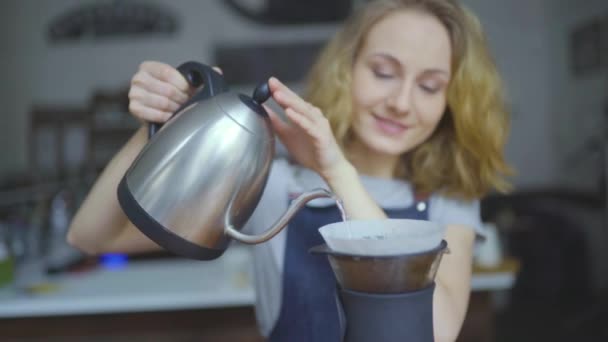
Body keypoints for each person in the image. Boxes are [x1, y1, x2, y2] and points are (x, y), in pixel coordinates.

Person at [67, 0, 512, 341]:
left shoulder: (450, 201)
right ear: (348, 70)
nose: (401, 102)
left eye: (430, 86)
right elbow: (91, 237)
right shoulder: (277, 186)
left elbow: (433, 333)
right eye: (383, 72)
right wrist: (157, 127)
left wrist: (338, 172)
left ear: (450, 101)